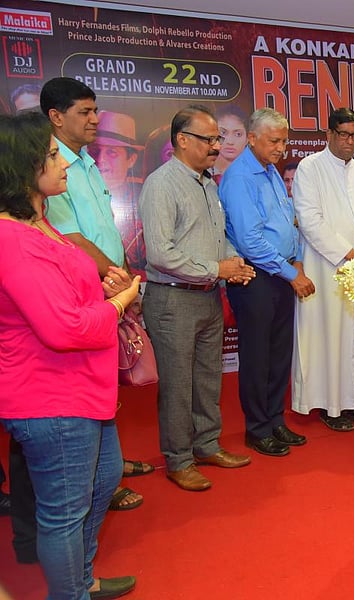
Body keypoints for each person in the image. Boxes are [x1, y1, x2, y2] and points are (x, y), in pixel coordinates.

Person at [0, 111, 140, 600]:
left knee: (101, 485)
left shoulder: (39, 225)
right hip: (50, 396)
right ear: (24, 165)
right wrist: (118, 303)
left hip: (80, 390)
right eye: (53, 154)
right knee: (63, 512)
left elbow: (67, 297)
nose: (64, 161)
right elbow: (64, 328)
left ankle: (80, 579)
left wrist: (105, 287)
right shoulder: (12, 238)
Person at [41, 78, 148, 512]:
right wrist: (119, 275)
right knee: (86, 390)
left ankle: (109, 466)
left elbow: (102, 230)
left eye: (94, 110)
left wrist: (119, 276)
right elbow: (70, 237)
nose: (94, 119)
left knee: (106, 382)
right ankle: (96, 481)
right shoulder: (51, 169)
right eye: (84, 112)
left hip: (107, 287)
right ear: (55, 116)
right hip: (83, 292)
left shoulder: (84, 162)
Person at [140, 105, 256, 491]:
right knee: (177, 385)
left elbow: (215, 236)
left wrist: (231, 263)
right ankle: (178, 459)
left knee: (208, 379)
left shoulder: (207, 182)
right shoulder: (161, 184)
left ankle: (207, 445)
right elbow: (160, 253)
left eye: (218, 138)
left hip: (208, 295)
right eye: (209, 139)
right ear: (182, 141)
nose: (216, 146)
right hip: (173, 300)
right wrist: (215, 268)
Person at [220, 108, 313, 457]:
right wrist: (293, 274)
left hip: (281, 273)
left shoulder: (271, 171)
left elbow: (289, 222)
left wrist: (298, 260)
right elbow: (250, 241)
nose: (281, 147)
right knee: (258, 357)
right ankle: (257, 428)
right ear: (252, 138)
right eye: (274, 140)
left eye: (285, 140)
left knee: (278, 354)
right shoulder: (241, 176)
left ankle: (275, 420)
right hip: (256, 277)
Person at [291, 107, 354, 431]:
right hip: (325, 268)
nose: (350, 142)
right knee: (330, 337)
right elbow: (310, 221)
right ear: (329, 135)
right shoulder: (309, 168)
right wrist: (350, 254)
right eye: (343, 135)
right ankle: (332, 407)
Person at [89, 111, 147, 275]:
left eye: (112, 152)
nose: (101, 161)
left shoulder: (145, 200)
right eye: (95, 151)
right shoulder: (77, 197)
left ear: (131, 159)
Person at [210, 104, 247, 183]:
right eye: (223, 132)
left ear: (248, 139)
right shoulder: (202, 171)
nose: (230, 142)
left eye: (238, 134)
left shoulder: (253, 174)